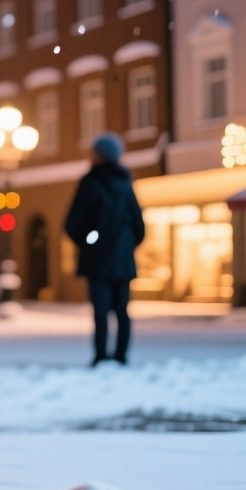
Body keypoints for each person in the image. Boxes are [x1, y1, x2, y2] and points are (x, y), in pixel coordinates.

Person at [64, 132, 145, 367]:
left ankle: (100, 354)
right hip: (122, 260)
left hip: (97, 260)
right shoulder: (125, 182)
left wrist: (90, 242)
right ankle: (121, 354)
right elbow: (139, 226)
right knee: (122, 311)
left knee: (100, 312)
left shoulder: (90, 182)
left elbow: (73, 223)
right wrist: (126, 244)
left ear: (101, 155)